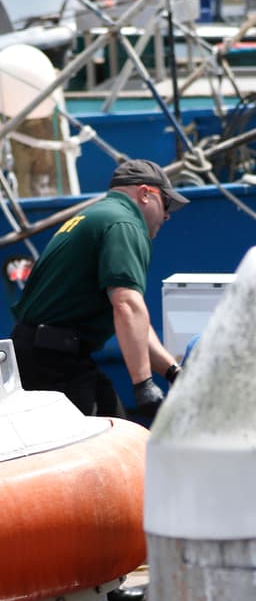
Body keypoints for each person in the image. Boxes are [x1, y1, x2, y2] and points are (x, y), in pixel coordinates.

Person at [11, 158, 187, 421]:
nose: (167, 215)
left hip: (48, 353)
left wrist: (172, 372)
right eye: (167, 203)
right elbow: (126, 305)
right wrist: (143, 385)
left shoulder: (97, 216)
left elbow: (135, 321)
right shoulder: (125, 224)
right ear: (145, 194)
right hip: (52, 363)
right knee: (92, 446)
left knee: (115, 427)